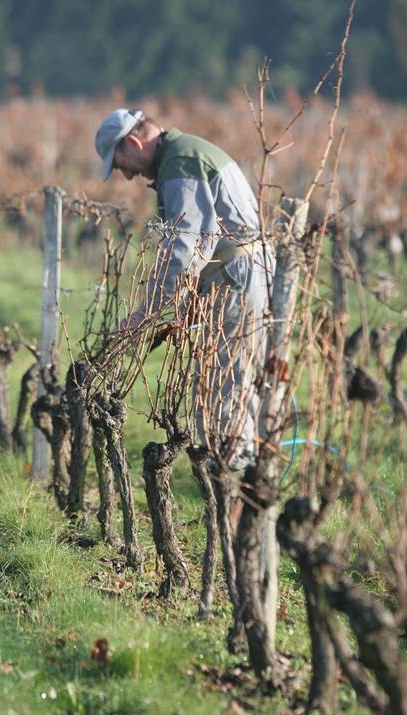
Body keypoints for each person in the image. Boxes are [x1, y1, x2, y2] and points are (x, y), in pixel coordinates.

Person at [94, 108, 274, 471]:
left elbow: (185, 248)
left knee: (225, 381)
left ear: (133, 142)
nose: (126, 174)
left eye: (121, 163)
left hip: (235, 277)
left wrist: (145, 314)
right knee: (221, 379)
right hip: (230, 274)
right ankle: (227, 476)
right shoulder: (181, 156)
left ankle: (231, 479)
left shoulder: (181, 161)